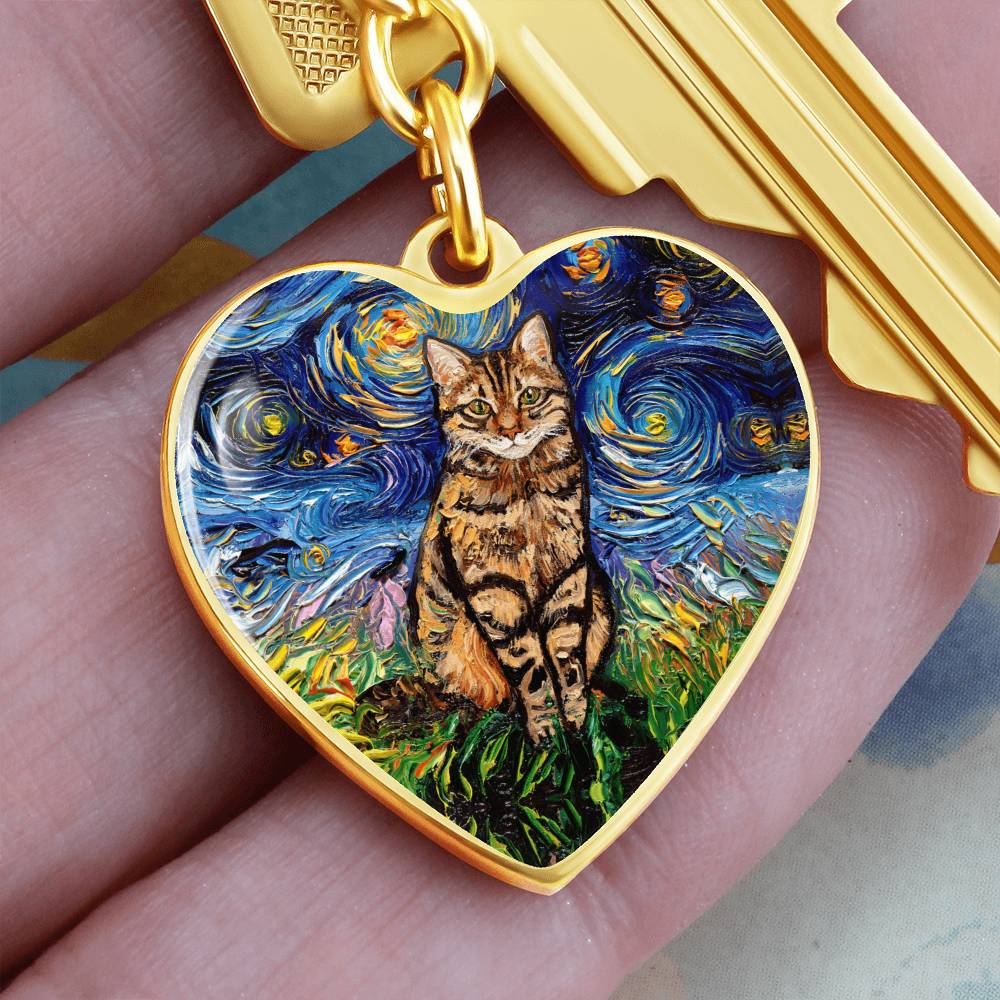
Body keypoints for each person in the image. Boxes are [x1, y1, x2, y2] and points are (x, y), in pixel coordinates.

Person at [1, 1, 997, 995]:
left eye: (527, 396)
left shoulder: (562, 446)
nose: (510, 419)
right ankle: (542, 724)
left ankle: (565, 717)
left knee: (575, 597)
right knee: (503, 622)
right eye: (482, 408)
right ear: (450, 403)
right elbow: (489, 600)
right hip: (479, 654)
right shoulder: (459, 475)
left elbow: (569, 577)